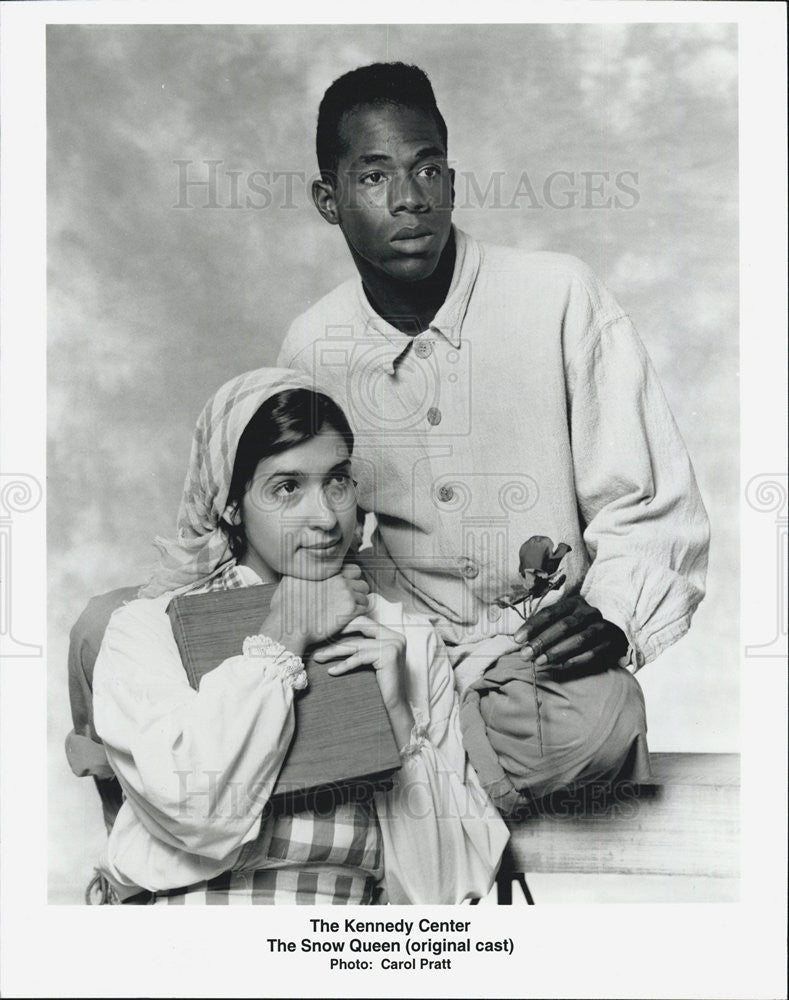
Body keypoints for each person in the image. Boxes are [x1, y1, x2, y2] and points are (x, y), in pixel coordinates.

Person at [275, 62, 710, 810]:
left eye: (428, 170)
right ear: (329, 199)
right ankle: (420, 771)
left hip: (533, 671)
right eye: (374, 177)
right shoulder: (311, 347)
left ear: (450, 182)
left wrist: (610, 616)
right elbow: (299, 536)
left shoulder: (558, 294)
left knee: (602, 720)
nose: (409, 199)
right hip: (387, 661)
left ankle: (393, 788)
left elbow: (647, 505)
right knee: (128, 638)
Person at [90, 367, 508, 904]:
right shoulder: (148, 630)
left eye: (337, 481)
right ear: (231, 505)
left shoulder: (407, 640)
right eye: (287, 487)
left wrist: (399, 724)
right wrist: (287, 631)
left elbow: (448, 895)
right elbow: (195, 807)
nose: (326, 518)